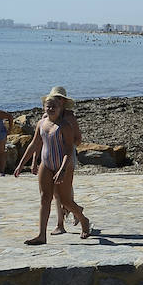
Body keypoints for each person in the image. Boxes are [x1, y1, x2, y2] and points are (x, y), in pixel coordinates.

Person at [13, 87, 91, 244]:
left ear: (61, 106)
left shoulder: (65, 125)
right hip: (46, 164)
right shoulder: (41, 123)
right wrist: (21, 164)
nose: (50, 108)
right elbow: (35, 144)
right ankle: (42, 235)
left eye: (54, 106)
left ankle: (84, 220)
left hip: (63, 165)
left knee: (65, 201)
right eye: (48, 106)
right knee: (44, 198)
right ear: (43, 107)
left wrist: (62, 169)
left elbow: (69, 149)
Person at [51, 105, 83, 235]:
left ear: (63, 101)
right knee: (55, 192)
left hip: (67, 155)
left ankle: (74, 212)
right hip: (52, 155)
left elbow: (78, 139)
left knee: (65, 187)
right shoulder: (47, 118)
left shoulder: (69, 118)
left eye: (58, 100)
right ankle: (61, 222)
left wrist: (67, 144)